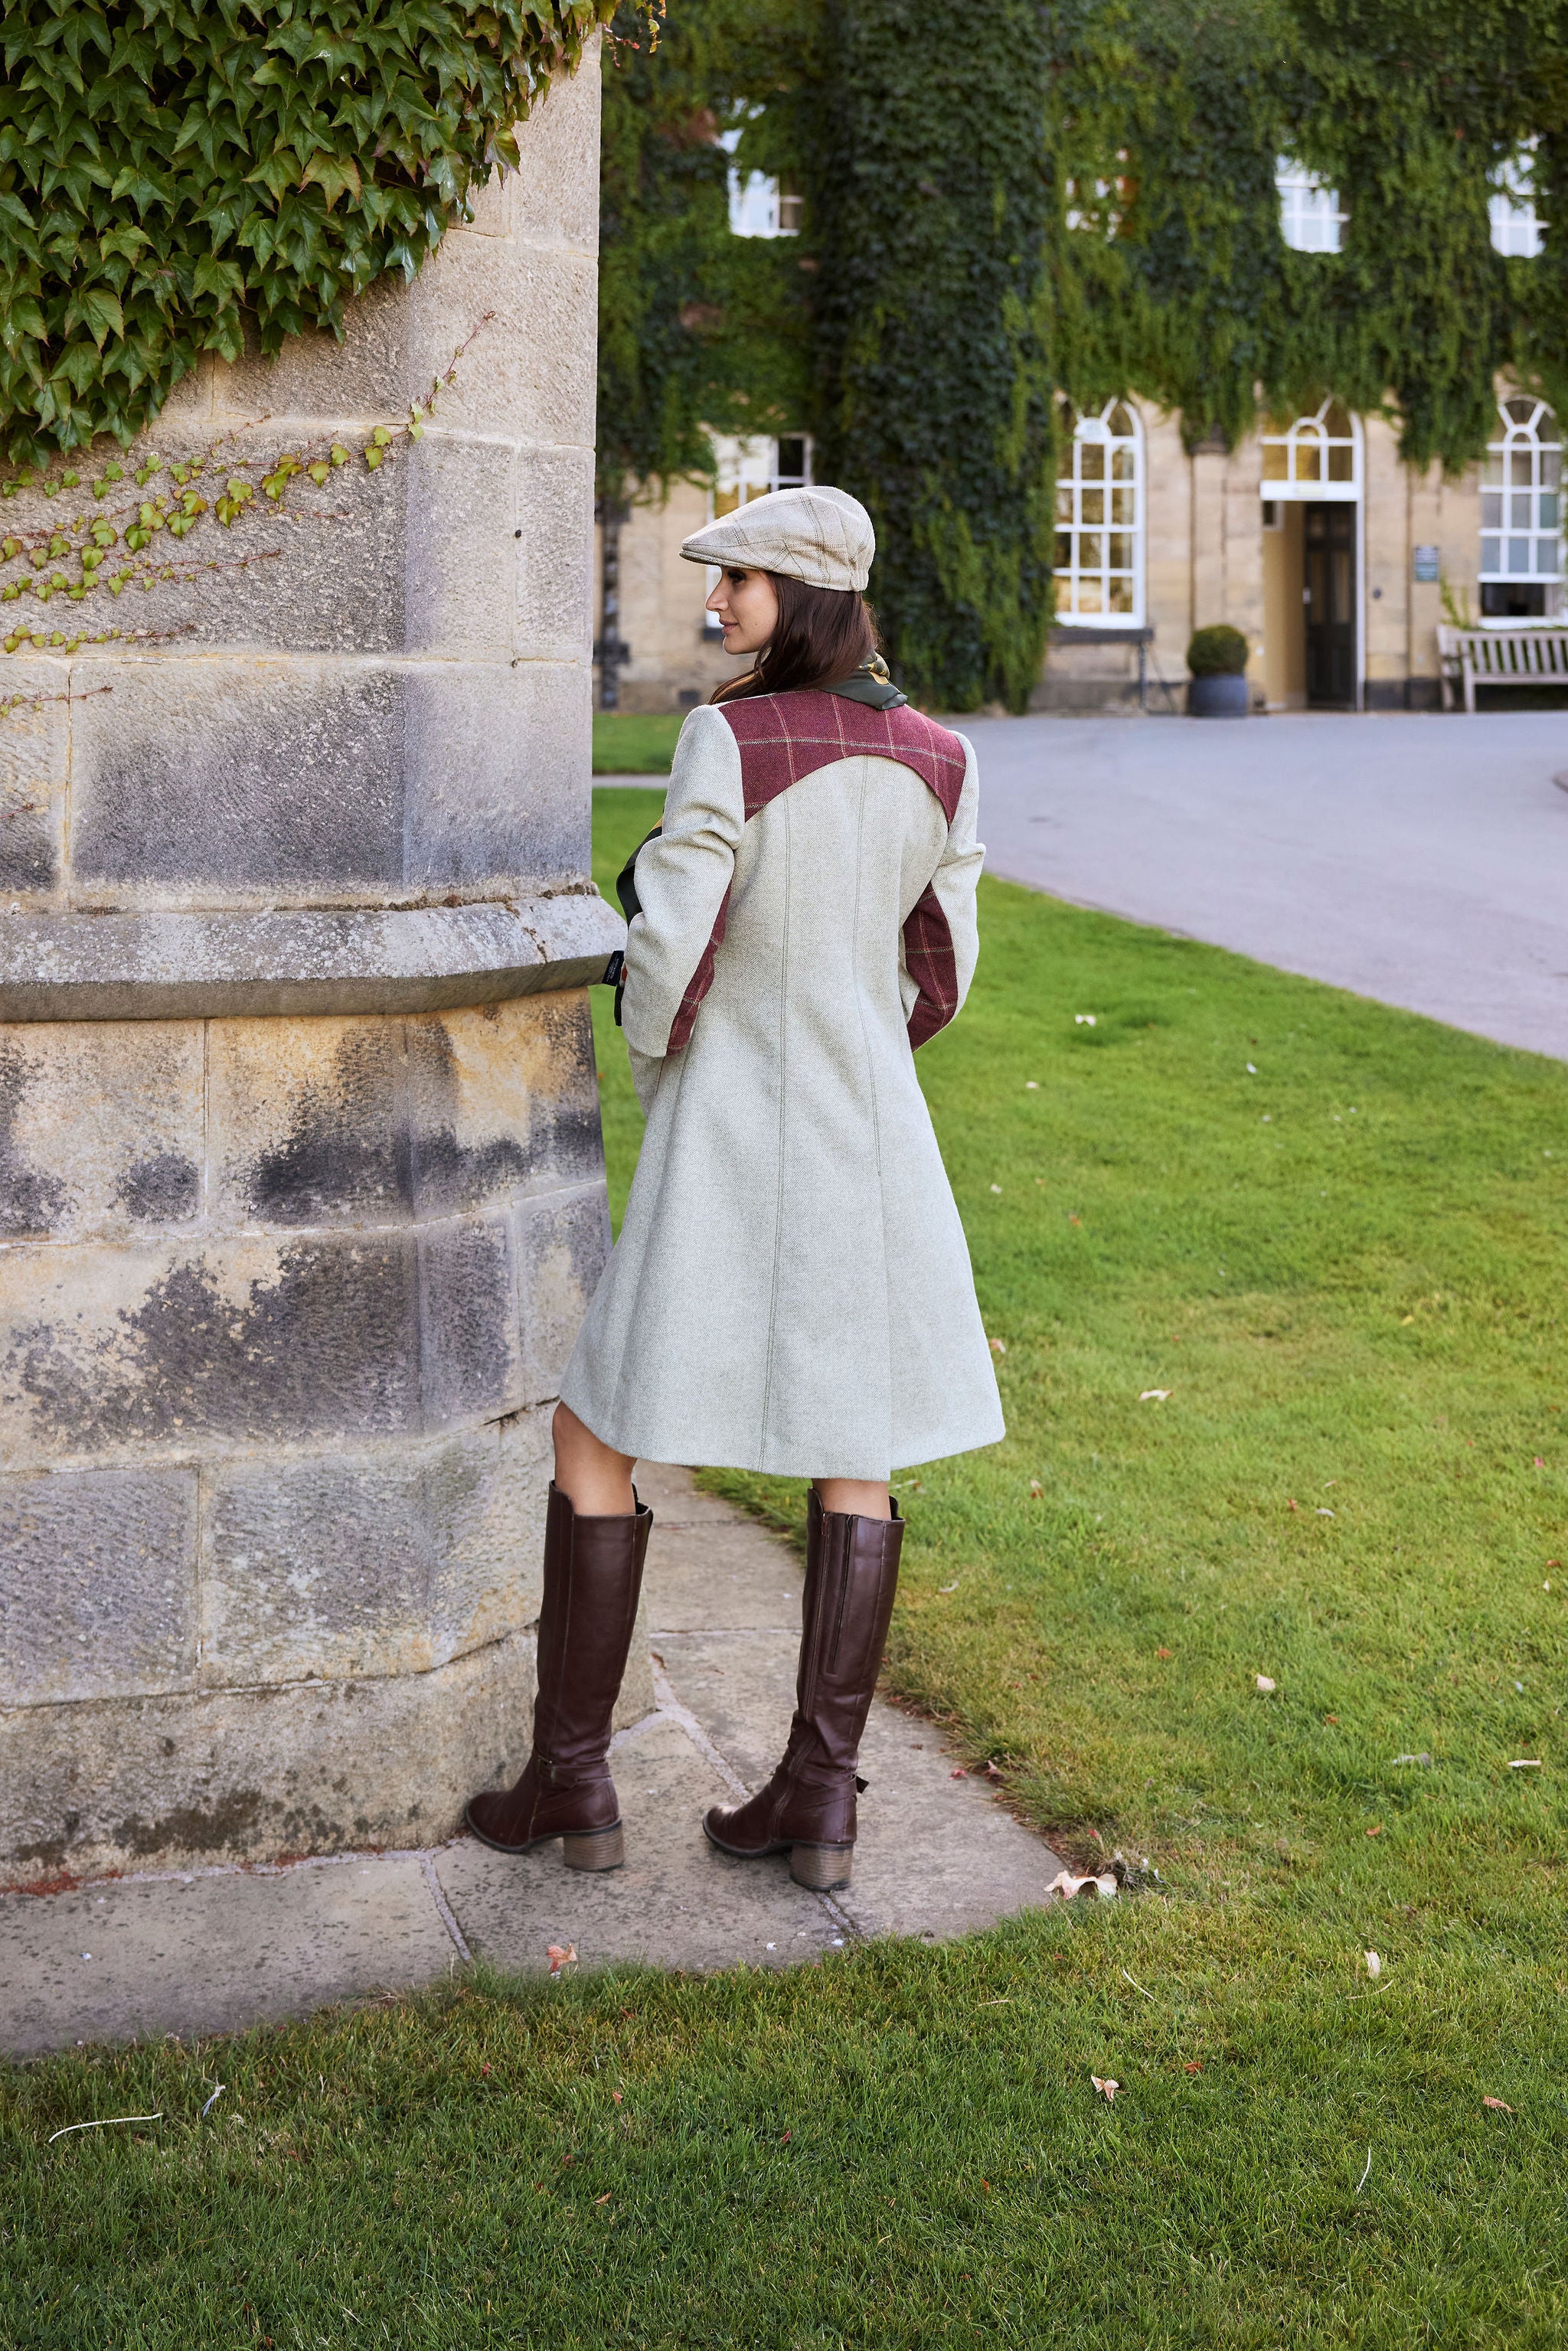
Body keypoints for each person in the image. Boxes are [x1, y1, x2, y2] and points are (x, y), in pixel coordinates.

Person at [465, 485, 1003, 1889]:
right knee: (860, 1449)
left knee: (595, 1428)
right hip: (873, 1135)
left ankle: (573, 1781)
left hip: (731, 1130)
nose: (717, 606)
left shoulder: (731, 736)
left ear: (806, 597)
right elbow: (943, 964)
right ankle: (817, 1800)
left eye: (741, 585)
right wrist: (864, 1041)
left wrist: (656, 1044)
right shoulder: (942, 757)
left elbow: (676, 935)